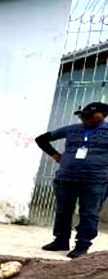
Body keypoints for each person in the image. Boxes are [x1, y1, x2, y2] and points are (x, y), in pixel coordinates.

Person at [34, 101, 108, 258]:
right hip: (66, 179)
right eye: (83, 116)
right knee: (63, 211)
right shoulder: (72, 129)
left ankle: (82, 245)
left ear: (104, 115)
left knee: (89, 213)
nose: (85, 119)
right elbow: (41, 139)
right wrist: (55, 155)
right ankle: (61, 240)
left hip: (95, 181)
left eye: (90, 116)